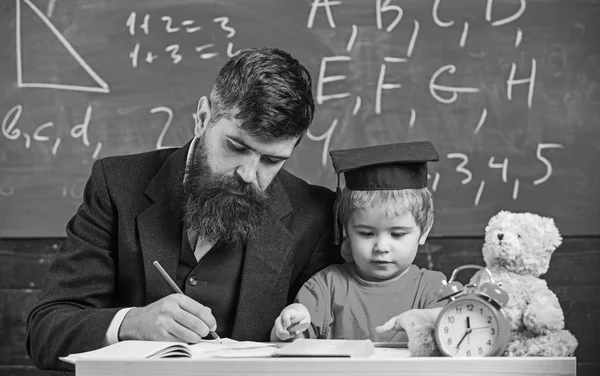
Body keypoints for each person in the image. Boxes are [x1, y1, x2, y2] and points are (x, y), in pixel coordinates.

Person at [27, 47, 343, 370]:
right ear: (203, 118)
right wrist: (133, 323)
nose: (249, 175)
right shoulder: (116, 186)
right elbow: (46, 329)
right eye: (236, 146)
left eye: (272, 160)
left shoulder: (313, 213)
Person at [271, 141, 447, 342]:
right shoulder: (325, 287)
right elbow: (288, 344)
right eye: (366, 233)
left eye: (397, 234)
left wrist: (426, 318)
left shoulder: (433, 288)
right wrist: (290, 326)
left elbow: (455, 326)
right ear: (346, 230)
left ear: (424, 230)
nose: (381, 248)